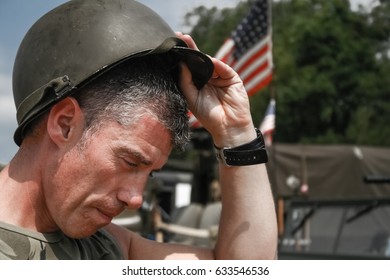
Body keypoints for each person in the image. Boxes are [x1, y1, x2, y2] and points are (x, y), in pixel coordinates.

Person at [0, 0, 277, 260]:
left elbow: (246, 269)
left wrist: (236, 134)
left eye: (150, 172)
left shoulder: (106, 245)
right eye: (130, 161)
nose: (135, 199)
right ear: (65, 124)